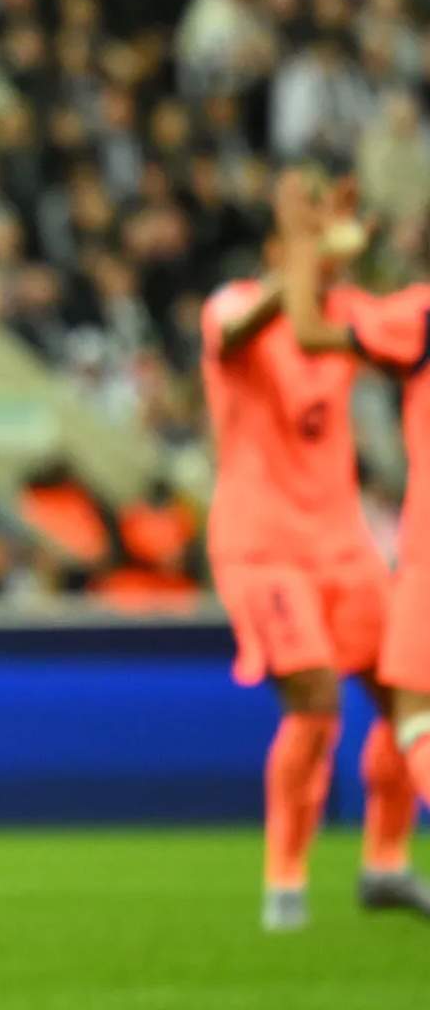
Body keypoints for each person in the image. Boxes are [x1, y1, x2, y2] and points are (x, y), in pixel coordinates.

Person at [199, 169, 430, 932]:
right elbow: (238, 333)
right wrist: (302, 251)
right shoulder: (232, 303)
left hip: (344, 541)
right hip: (263, 545)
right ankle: (285, 881)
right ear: (274, 249)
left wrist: (341, 252)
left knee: (408, 695)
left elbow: (391, 328)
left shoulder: (344, 311)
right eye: (301, 242)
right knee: (316, 704)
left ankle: (386, 863)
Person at [278, 175, 430, 909]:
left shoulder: (421, 312)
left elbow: (309, 330)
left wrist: (306, 244)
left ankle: (379, 861)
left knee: (415, 714)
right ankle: (385, 862)